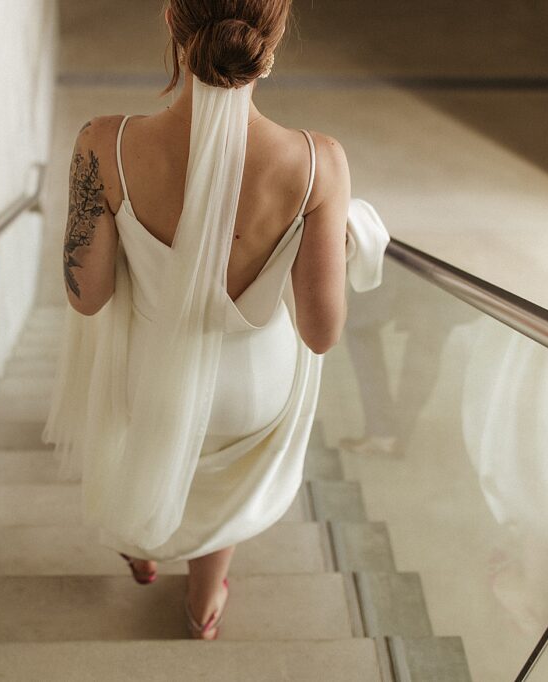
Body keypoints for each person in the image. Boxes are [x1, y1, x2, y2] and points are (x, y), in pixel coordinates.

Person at [44, 0, 352, 641]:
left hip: (148, 378)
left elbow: (88, 296)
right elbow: (321, 332)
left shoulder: (105, 143)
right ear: (274, 36)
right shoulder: (319, 162)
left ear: (171, 23)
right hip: (252, 392)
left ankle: (145, 545)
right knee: (223, 485)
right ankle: (205, 597)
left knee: (155, 448)